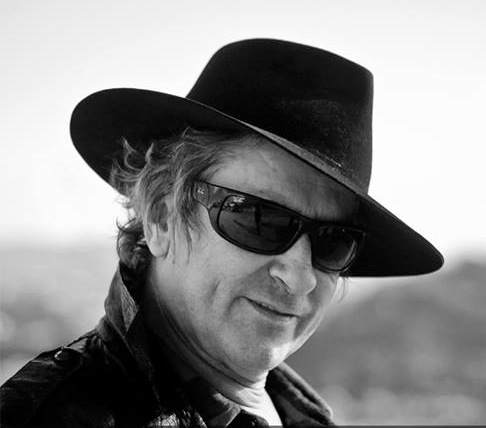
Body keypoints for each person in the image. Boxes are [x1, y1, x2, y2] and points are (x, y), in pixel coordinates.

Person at [0, 39, 443, 427]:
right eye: (258, 218)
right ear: (161, 217)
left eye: (333, 241)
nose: (300, 277)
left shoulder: (299, 413)